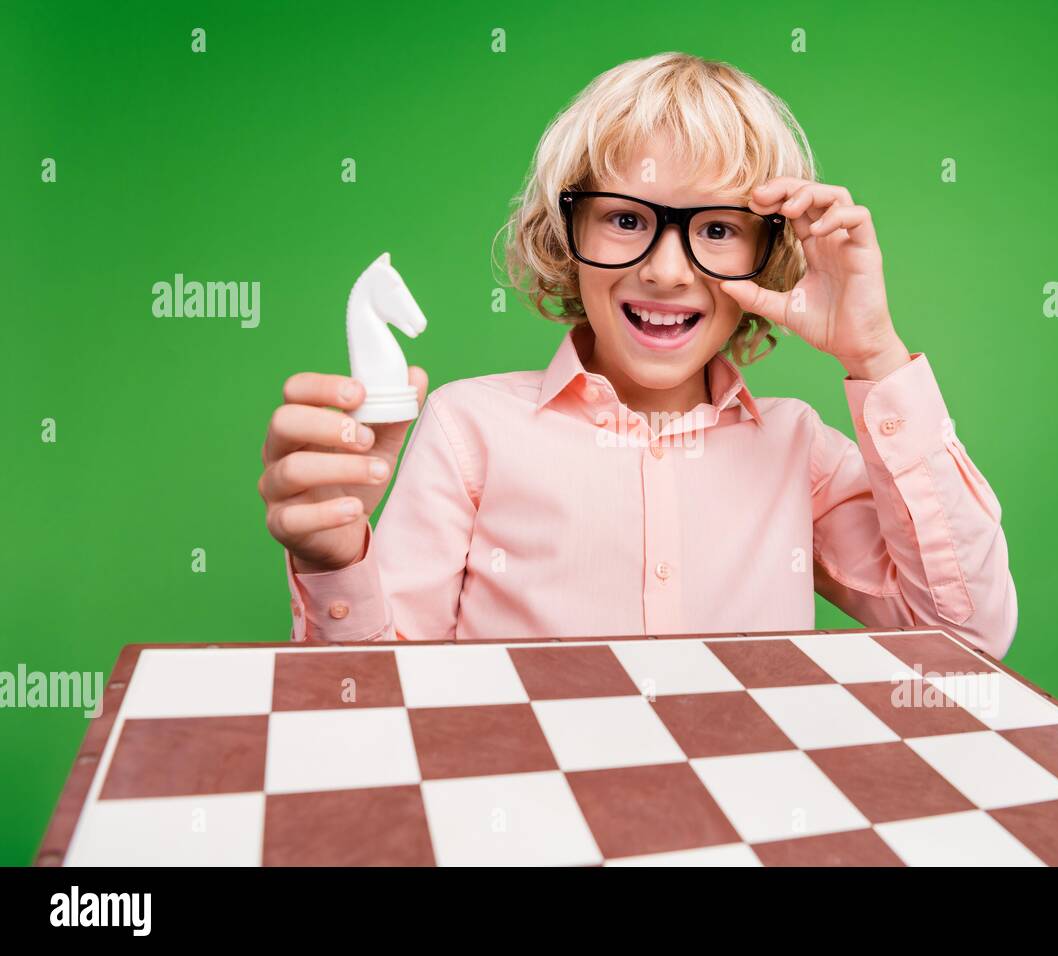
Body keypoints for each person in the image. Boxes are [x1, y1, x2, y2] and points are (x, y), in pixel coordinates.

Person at [257, 52, 1017, 657]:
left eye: (717, 229)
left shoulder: (797, 451)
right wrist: (333, 560)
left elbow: (965, 637)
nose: (666, 269)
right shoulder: (468, 431)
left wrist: (875, 353)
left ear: (767, 254)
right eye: (625, 218)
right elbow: (378, 699)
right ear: (565, 237)